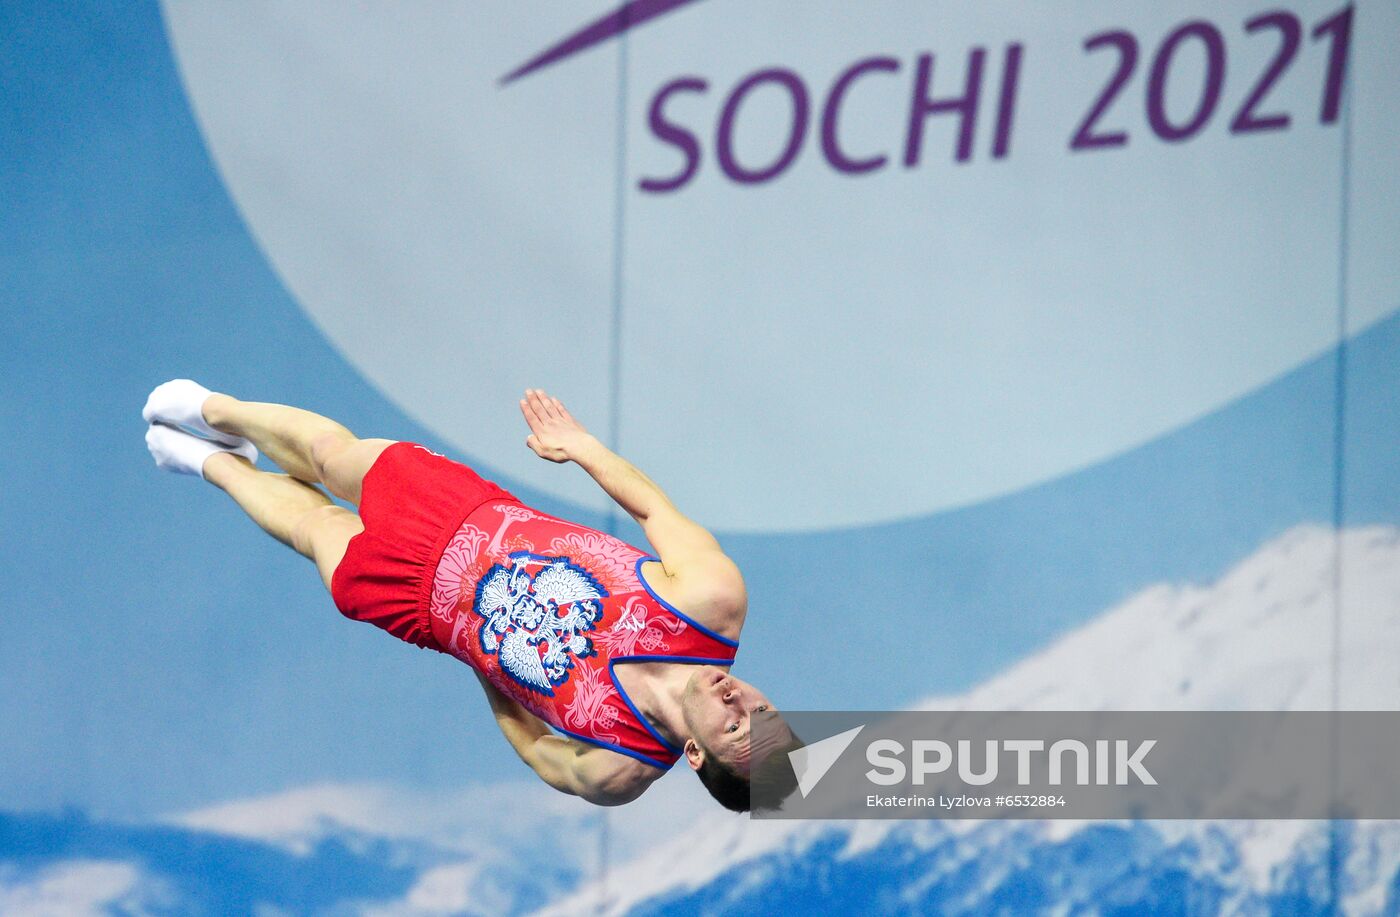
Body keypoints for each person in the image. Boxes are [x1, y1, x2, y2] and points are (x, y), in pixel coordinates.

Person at [142, 379, 793, 810]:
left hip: (420, 601)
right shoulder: (712, 602)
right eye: (763, 712)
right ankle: (217, 411)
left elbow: (541, 752)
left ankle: (217, 465)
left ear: (697, 753)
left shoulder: (617, 769)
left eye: (737, 726)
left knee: (317, 530)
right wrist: (584, 448)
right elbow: (654, 509)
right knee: (331, 455)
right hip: (464, 510)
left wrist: (486, 666)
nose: (743, 701)